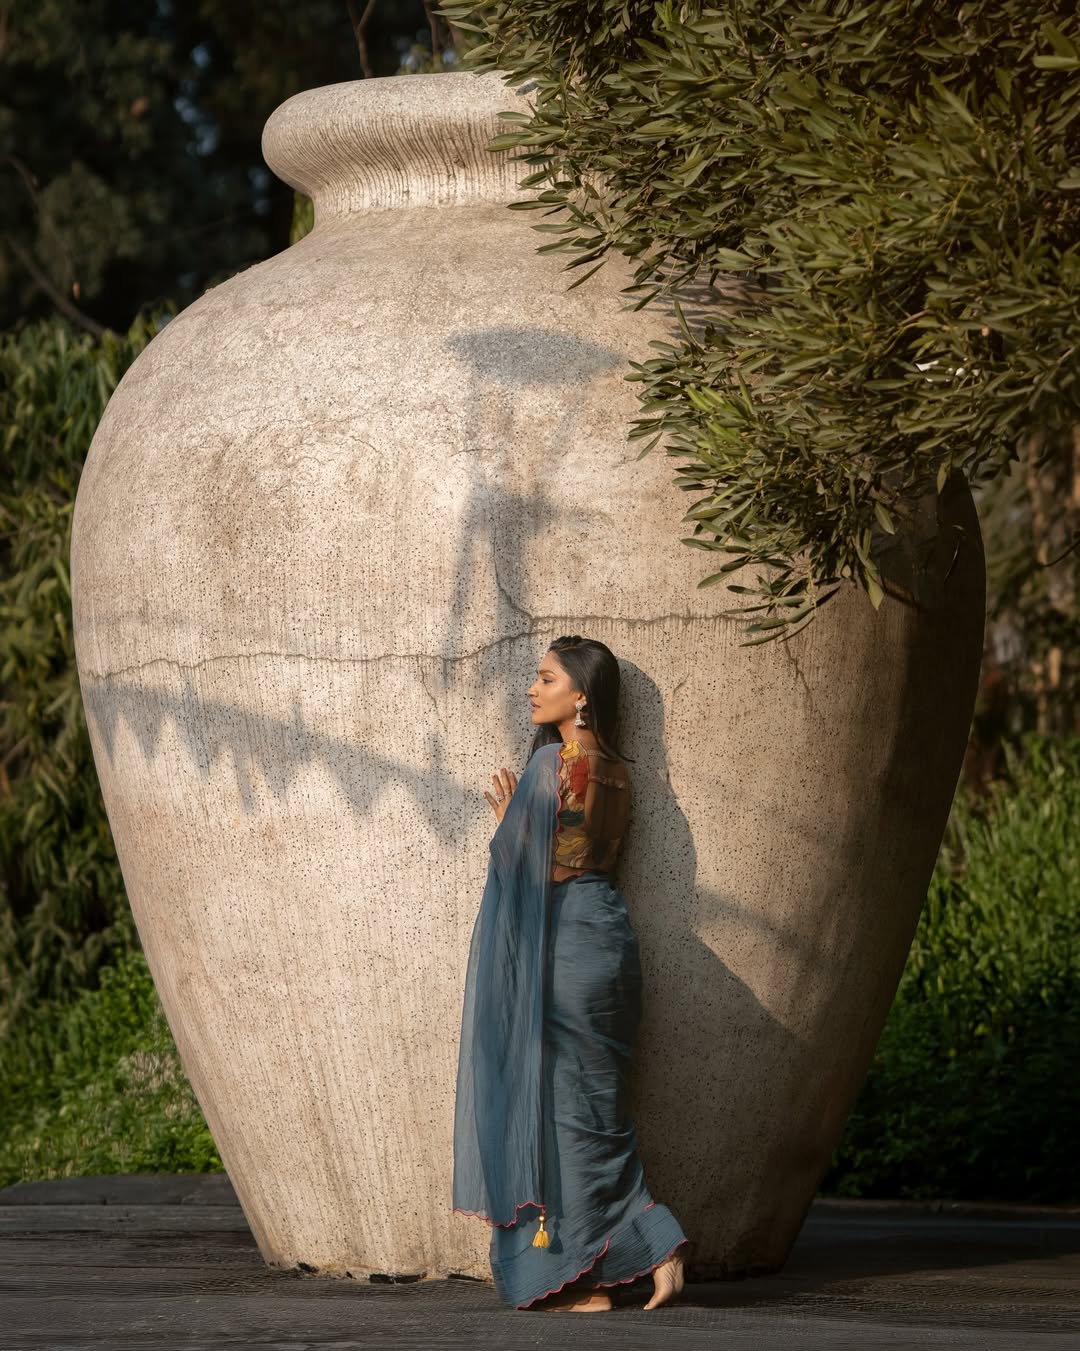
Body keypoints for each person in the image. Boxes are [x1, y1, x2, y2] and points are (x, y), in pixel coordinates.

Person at [452, 634, 688, 1311]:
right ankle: (638, 1250)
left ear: (580, 694)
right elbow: (589, 859)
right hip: (608, 938)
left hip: (562, 946)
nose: (533, 687)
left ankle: (602, 1261)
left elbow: (544, 872)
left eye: (547, 677)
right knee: (595, 1111)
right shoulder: (616, 767)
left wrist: (505, 826)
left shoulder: (554, 762)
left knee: (555, 1115)